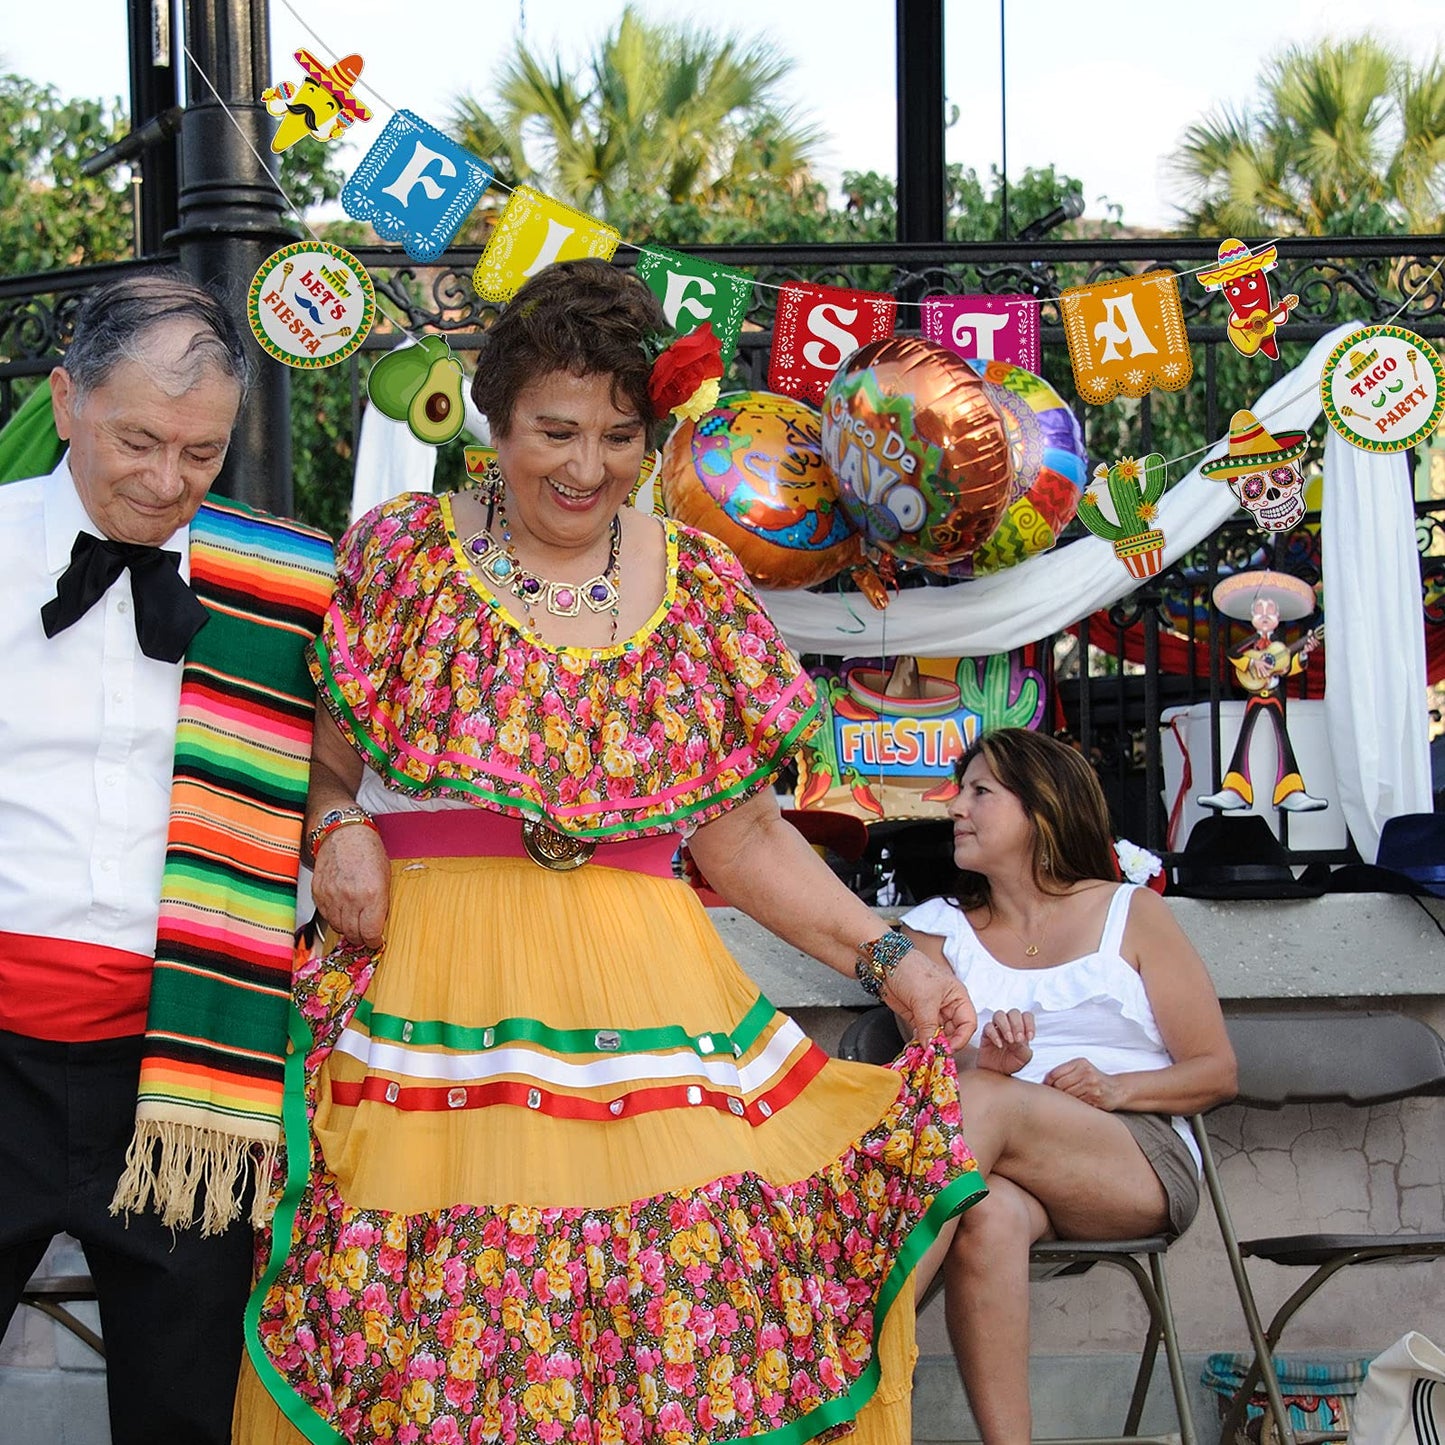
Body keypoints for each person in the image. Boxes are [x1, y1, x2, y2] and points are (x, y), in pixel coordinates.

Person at [234, 257, 984, 1445]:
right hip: (438, 995)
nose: (583, 466)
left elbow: (736, 833)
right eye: (555, 429)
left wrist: (887, 949)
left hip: (652, 1002)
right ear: (495, 419)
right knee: (438, 1344)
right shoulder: (400, 557)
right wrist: (339, 826)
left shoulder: (697, 586)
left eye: (618, 435)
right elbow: (327, 767)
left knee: (685, 1324)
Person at [0, 273, 335, 1443]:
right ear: (66, 399)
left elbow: (355, 764)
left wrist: (338, 826)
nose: (164, 479)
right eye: (137, 439)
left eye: (200, 453)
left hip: (189, 1061)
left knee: (187, 1409)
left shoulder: (285, 584)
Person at [900, 728, 1236, 1445]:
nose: (954, 805)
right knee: (985, 1213)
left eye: (979, 791)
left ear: (1041, 808)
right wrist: (986, 1066)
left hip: (1129, 1158)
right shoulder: (933, 933)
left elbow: (1214, 1069)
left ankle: (851, 1335)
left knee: (989, 1107)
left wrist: (1115, 1087)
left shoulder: (1129, 911)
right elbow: (928, 1088)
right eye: (959, 790)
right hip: (991, 1156)